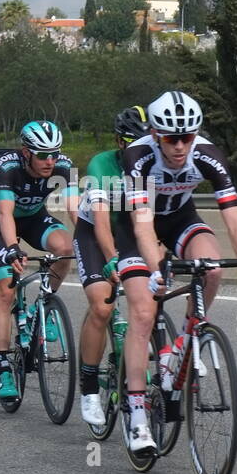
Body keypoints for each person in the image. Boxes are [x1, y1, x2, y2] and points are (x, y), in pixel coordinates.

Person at [118, 90, 237, 452]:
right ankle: (137, 411)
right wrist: (157, 271)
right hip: (137, 226)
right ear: (156, 134)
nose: (180, 146)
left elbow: (233, 219)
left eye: (187, 137)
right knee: (142, 311)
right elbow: (143, 226)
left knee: (213, 268)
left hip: (181, 219)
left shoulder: (207, 155)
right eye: (172, 138)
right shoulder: (137, 157)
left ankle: (181, 345)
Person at [0, 121, 78, 399]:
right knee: (5, 291)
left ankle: (44, 305)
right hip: (1, 223)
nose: (50, 161)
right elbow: (5, 215)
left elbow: (73, 208)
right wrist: (12, 247)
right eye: (42, 155)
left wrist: (91, 240)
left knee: (66, 247)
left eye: (54, 154)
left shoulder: (63, 166)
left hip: (35, 218)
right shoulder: (8, 166)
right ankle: (2, 366)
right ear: (26, 152)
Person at [72, 105, 150, 427]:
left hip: (132, 232)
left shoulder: (151, 166)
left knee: (146, 305)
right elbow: (102, 224)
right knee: (102, 307)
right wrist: (112, 260)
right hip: (94, 234)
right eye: (132, 144)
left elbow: (150, 221)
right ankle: (89, 389)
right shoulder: (101, 164)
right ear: (120, 143)